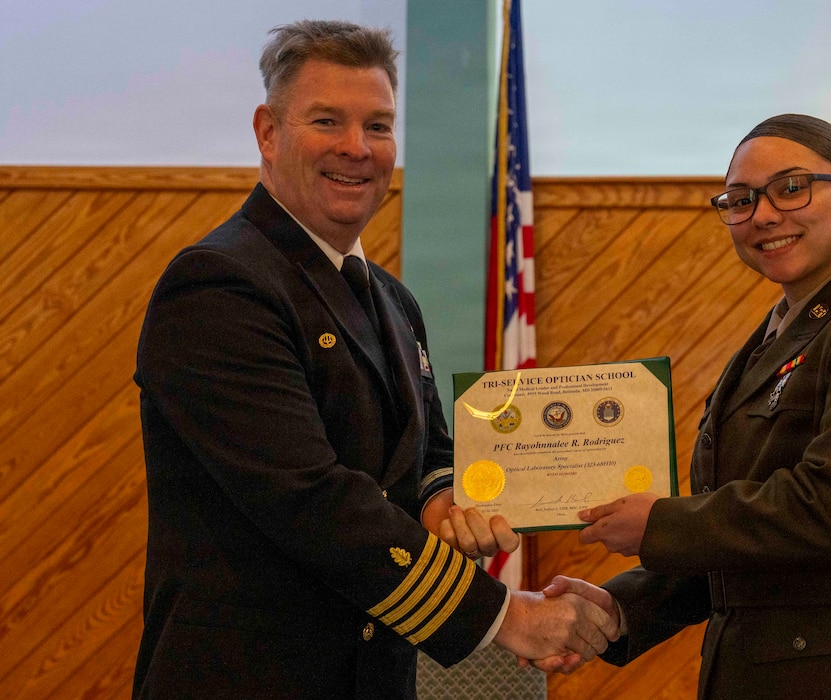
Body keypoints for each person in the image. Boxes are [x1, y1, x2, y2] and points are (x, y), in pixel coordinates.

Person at [132, 20, 615, 698]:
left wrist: (444, 497)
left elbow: (426, 454)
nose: (357, 149)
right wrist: (504, 618)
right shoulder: (218, 285)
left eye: (379, 126)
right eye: (327, 121)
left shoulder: (389, 297)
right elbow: (311, 501)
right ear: (268, 132)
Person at [542, 114, 831, 699]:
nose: (764, 215)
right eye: (740, 200)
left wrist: (661, 522)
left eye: (792, 188)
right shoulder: (773, 340)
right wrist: (620, 610)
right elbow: (746, 547)